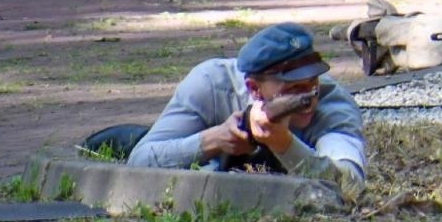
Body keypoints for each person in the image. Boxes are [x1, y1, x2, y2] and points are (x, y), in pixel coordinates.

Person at [125, 22, 367, 202]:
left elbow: (350, 183)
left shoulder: (333, 104)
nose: (309, 98)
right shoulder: (212, 83)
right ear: (254, 88)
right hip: (158, 138)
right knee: (120, 140)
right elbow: (139, 162)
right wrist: (214, 140)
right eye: (293, 90)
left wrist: (283, 143)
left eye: (312, 82)